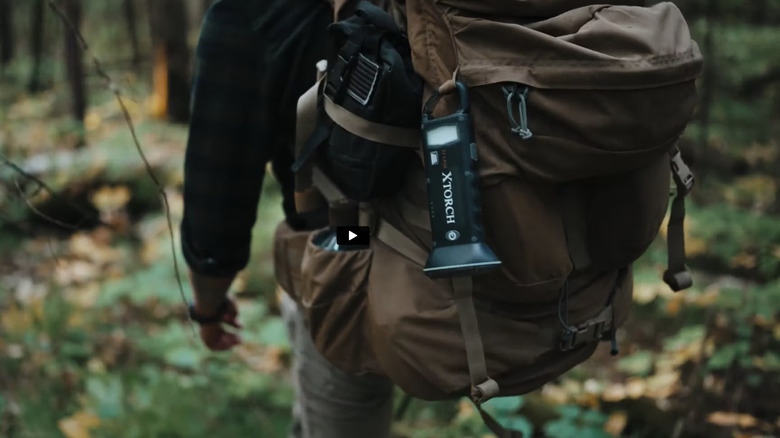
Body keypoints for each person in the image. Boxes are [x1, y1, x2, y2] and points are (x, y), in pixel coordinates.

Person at [179, 0, 395, 437]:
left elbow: (220, 176)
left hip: (352, 243)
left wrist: (208, 300)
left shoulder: (256, 11)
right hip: (480, 239)